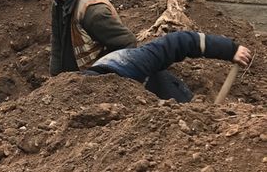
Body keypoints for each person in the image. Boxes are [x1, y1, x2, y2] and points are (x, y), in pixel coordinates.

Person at [84, 31, 252, 102]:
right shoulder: (83, 92)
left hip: (167, 93)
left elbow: (180, 41)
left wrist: (230, 50)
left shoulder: (134, 62)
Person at [44, 0, 137, 76]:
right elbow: (57, 42)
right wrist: (55, 77)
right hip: (71, 81)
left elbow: (127, 42)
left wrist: (107, 75)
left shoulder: (93, 11)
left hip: (92, 82)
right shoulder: (58, 3)